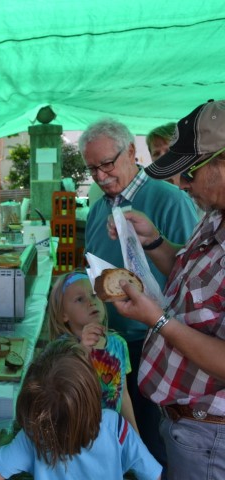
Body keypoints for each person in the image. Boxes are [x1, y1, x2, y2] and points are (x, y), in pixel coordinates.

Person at [109, 99, 225, 480]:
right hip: (184, 424)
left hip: (212, 437)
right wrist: (154, 241)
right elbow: (193, 274)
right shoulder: (215, 214)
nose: (182, 183)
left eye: (190, 171)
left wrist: (157, 320)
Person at [80, 118, 198, 467]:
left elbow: (190, 278)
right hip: (112, 345)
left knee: (153, 442)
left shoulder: (169, 200)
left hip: (155, 344)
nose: (100, 176)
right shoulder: (99, 208)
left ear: (131, 151)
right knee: (118, 438)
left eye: (107, 164)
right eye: (92, 169)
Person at [0, 339, 161, 480]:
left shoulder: (33, 435)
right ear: (92, 389)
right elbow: (153, 475)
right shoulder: (114, 426)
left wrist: (1, 442)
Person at [47, 271, 137, 431]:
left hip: (110, 434)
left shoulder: (118, 344)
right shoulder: (60, 350)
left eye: (94, 295)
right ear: (63, 315)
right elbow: (58, 392)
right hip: (75, 434)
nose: (91, 302)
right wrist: (83, 349)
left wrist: (135, 435)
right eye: (80, 299)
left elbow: (123, 395)